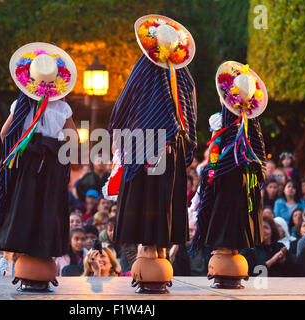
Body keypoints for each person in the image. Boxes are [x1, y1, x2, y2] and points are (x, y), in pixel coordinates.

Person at [109, 15, 197, 264]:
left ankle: (150, 255)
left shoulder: (143, 69)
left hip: (145, 143)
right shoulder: (184, 75)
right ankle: (156, 254)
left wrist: (119, 135)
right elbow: (190, 114)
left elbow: (124, 105)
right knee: (161, 200)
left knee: (149, 198)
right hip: (168, 146)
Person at [0, 43, 78, 279]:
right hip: (52, 165)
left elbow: (5, 134)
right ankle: (42, 251)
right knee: (47, 209)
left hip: (26, 163)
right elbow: (73, 139)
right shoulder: (64, 108)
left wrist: (22, 150)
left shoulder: (20, 104)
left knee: (23, 207)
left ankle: (21, 255)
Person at [193, 62, 267, 259]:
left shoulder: (228, 125)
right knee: (233, 243)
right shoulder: (251, 131)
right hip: (244, 179)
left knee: (225, 237)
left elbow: (216, 160)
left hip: (228, 182)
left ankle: (225, 255)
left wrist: (211, 172)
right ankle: (230, 254)